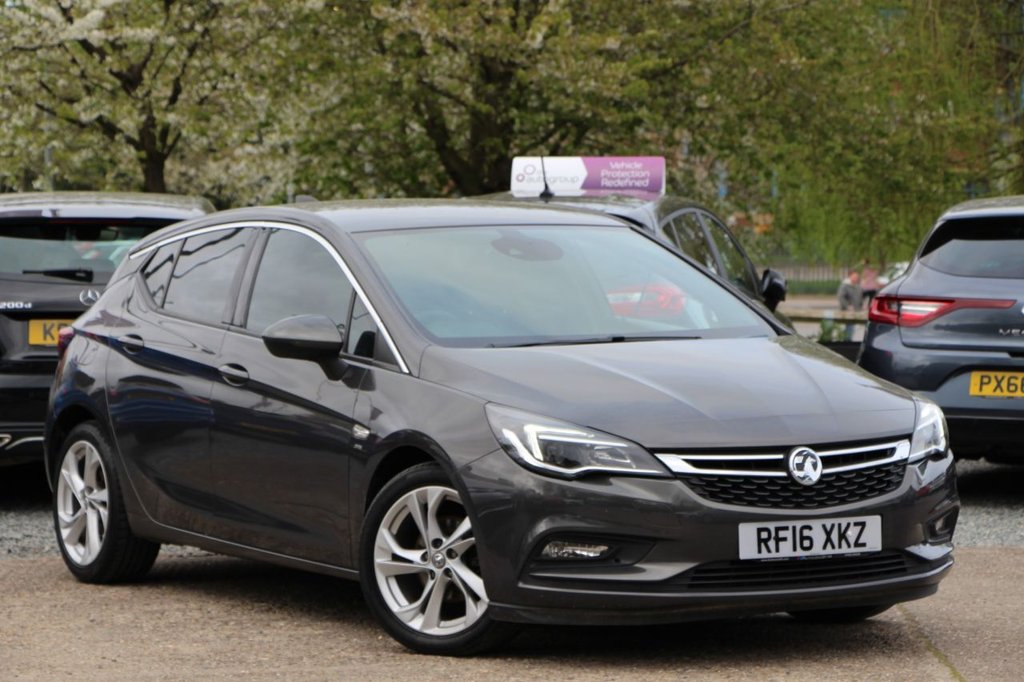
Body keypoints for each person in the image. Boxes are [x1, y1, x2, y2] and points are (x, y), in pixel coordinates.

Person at [837, 269, 863, 341]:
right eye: (854, 276)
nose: (856, 278)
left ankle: (847, 340)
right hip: (846, 311)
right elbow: (841, 297)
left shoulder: (858, 287)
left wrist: (861, 307)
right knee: (849, 328)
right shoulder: (844, 286)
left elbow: (860, 298)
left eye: (857, 277)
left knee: (852, 328)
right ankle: (846, 341)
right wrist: (847, 306)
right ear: (850, 276)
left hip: (856, 311)